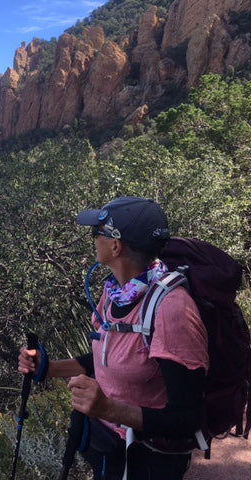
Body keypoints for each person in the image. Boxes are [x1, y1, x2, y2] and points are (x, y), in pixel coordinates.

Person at [18, 197, 208, 480]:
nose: (93, 238)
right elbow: (107, 355)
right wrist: (48, 368)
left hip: (148, 459)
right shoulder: (117, 292)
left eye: (97, 232)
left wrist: (109, 409)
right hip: (109, 446)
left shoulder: (171, 311)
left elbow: (187, 417)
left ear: (116, 245)